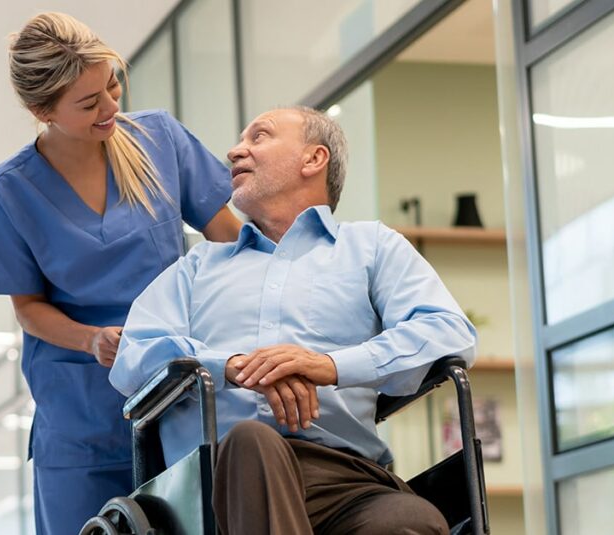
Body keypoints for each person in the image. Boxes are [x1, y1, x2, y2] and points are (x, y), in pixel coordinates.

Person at [111, 106, 477, 534]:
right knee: (251, 441)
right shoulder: (198, 267)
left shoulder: (371, 247)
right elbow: (134, 355)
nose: (235, 151)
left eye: (259, 137)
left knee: (414, 520)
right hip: (217, 482)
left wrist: (328, 366)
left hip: (344, 477)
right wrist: (234, 368)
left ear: (313, 159)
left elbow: (448, 331)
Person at [0, 12, 242, 535]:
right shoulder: (10, 190)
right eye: (88, 102)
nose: (111, 107)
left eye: (113, 84)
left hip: (176, 398)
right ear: (42, 111)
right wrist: (90, 338)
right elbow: (28, 310)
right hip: (80, 418)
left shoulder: (159, 140)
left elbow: (228, 236)